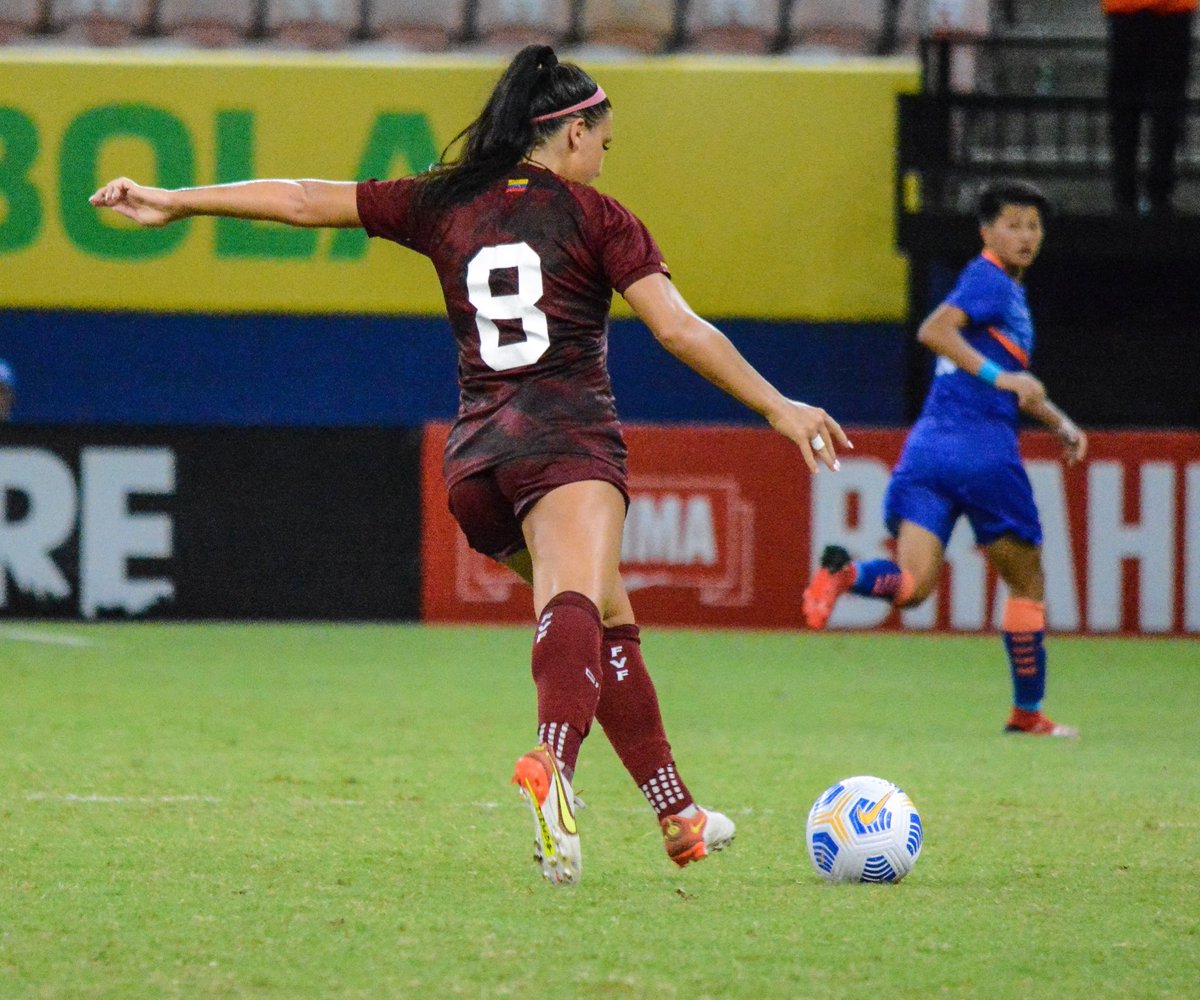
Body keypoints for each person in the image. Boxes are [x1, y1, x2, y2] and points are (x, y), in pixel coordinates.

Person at [90, 45, 850, 887]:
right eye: (602, 138)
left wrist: (174, 200)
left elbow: (304, 199)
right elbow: (678, 329)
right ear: (565, 132)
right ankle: (552, 766)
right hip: (565, 442)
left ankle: (678, 813)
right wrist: (779, 405)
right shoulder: (601, 218)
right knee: (574, 597)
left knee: (606, 617)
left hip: (477, 465)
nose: (605, 156)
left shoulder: (442, 201)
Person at [802, 181, 1085, 738]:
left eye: (1034, 226)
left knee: (913, 587)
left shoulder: (999, 292)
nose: (1026, 235)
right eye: (1014, 224)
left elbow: (1012, 384)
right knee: (1026, 584)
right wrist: (1001, 376)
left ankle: (845, 573)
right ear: (986, 232)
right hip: (982, 453)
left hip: (928, 450)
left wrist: (1059, 423)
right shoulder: (990, 279)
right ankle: (1027, 713)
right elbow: (935, 331)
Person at [1103, 0, 1196, 215]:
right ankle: (1156, 194)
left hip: (1132, 11)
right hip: (1167, 12)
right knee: (1163, 108)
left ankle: (1128, 194)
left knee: (1131, 109)